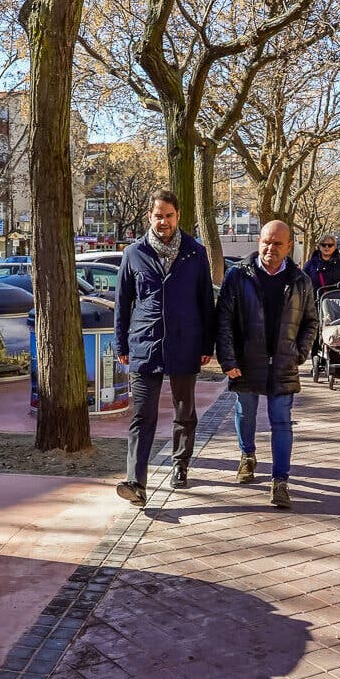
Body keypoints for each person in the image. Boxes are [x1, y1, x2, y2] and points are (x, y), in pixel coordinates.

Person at [114, 189, 216, 506]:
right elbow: (122, 303)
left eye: (169, 216)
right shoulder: (134, 253)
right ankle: (136, 482)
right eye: (159, 215)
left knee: (184, 412)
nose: (164, 222)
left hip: (186, 344)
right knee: (142, 416)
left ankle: (180, 464)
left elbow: (205, 302)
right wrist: (121, 342)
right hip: (145, 344)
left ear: (178, 216)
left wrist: (207, 343)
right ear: (150, 216)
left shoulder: (195, 253)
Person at [216, 220, 318, 510]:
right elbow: (223, 320)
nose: (270, 249)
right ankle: (247, 455)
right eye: (266, 242)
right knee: (245, 413)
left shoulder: (301, 281)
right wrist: (228, 359)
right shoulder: (238, 276)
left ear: (289, 247)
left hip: (284, 362)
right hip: (246, 361)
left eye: (277, 244)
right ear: (258, 242)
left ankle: (280, 481)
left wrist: (299, 352)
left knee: (281, 421)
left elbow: (311, 321)